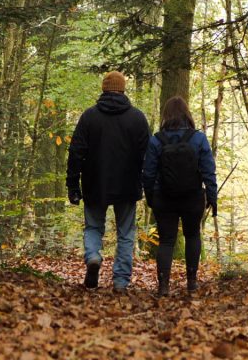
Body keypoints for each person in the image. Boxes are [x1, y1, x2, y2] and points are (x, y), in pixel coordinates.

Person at [66, 71, 150, 293]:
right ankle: (121, 282)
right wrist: (148, 184)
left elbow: (75, 152)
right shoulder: (137, 118)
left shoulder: (89, 117)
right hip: (128, 185)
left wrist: (73, 185)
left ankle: (93, 256)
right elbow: (148, 156)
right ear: (123, 90)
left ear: (103, 90)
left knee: (93, 227)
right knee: (126, 233)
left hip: (95, 183)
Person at [142, 96, 217, 297]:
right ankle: (192, 282)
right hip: (192, 197)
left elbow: (148, 173)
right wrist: (212, 196)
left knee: (166, 240)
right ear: (187, 114)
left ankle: (163, 285)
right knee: (192, 236)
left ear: (166, 115)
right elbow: (209, 170)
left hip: (163, 197)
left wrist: (151, 197)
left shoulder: (156, 140)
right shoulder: (198, 139)